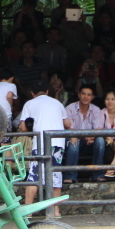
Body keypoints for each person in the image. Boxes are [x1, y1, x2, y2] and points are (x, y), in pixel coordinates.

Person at [20, 81, 70, 215]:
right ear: (47, 92)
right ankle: (55, 211)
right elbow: (68, 123)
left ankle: (27, 211)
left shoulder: (30, 103)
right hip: (57, 142)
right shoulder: (57, 103)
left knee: (34, 175)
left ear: (32, 94)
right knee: (55, 174)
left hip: (40, 142)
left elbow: (23, 127)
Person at [64, 85, 106, 182]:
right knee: (73, 139)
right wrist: (85, 136)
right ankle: (70, 176)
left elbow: (98, 128)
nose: (85, 97)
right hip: (75, 139)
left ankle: (98, 174)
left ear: (92, 97)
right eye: (83, 94)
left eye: (89, 95)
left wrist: (91, 136)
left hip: (90, 141)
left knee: (100, 140)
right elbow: (69, 128)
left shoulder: (96, 110)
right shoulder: (70, 108)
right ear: (79, 94)